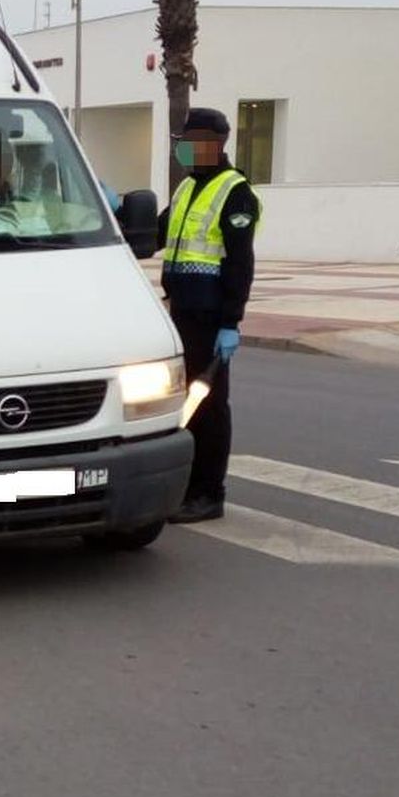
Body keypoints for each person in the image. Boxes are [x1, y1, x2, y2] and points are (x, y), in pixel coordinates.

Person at [157, 108, 260, 524]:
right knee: (183, 405)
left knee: (210, 406)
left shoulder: (235, 192)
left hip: (211, 317)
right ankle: (187, 486)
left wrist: (230, 322)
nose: (184, 149)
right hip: (180, 311)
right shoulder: (186, 188)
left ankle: (209, 493)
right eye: (181, 141)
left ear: (216, 143)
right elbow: (158, 233)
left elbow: (240, 263)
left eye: (192, 141)